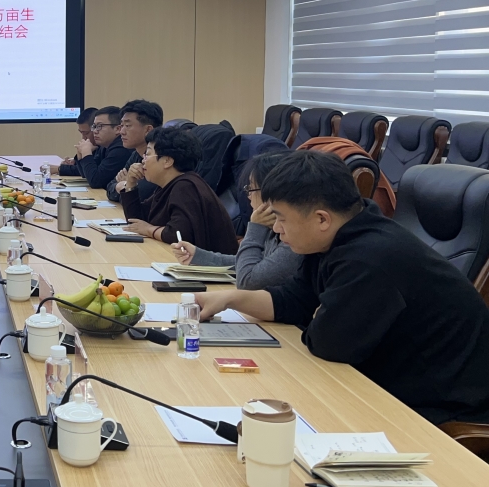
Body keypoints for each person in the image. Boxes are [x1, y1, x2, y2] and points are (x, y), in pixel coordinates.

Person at [197, 151, 489, 426]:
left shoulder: (370, 258)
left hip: (439, 407)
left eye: (282, 219)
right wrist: (231, 299)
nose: (276, 229)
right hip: (384, 382)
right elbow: (294, 301)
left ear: (321, 219)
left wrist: (318, 319)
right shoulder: (332, 240)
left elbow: (327, 343)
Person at [170, 151, 301, 289]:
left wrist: (256, 227)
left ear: (272, 191)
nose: (248, 196)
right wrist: (198, 256)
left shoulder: (292, 239)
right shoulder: (272, 228)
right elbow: (248, 264)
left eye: (251, 188)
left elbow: (248, 280)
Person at [119, 127, 238, 254]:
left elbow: (179, 235)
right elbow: (136, 221)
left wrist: (149, 230)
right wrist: (131, 183)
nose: (143, 161)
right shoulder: (170, 185)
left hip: (212, 264)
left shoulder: (186, 187)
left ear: (167, 161)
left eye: (147, 154)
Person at [106, 99, 163, 202]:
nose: (121, 132)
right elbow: (110, 187)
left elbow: (140, 197)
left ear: (148, 130)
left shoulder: (158, 158)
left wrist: (126, 186)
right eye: (122, 126)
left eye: (127, 126)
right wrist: (126, 185)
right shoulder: (136, 154)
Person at [74, 106, 132, 189]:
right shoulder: (104, 146)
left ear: (117, 129)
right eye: (94, 126)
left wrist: (86, 154)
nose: (95, 131)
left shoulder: (121, 149)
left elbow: (95, 181)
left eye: (99, 126)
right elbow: (86, 174)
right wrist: (81, 156)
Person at [56, 108, 97, 177]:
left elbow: (90, 171)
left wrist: (58, 169)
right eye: (81, 133)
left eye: (86, 133)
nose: (83, 137)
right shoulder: (93, 146)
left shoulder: (104, 146)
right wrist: (75, 161)